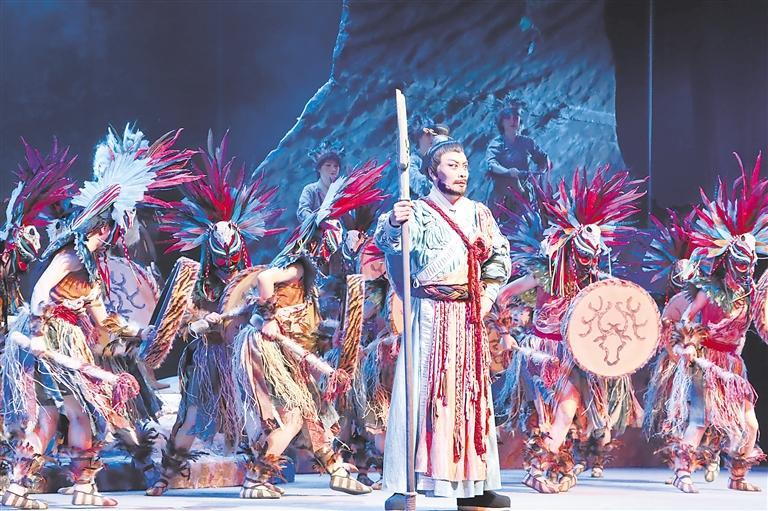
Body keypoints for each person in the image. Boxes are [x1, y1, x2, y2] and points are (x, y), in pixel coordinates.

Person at [1, 126, 195, 509]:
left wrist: (143, 332)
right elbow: (40, 292)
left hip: (63, 342)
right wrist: (38, 332)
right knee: (74, 414)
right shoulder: (72, 256)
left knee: (64, 417)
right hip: (49, 341)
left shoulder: (92, 268)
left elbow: (103, 317)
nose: (118, 234)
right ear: (104, 227)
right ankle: (53, 486)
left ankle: (47, 488)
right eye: (116, 227)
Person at [232, 160, 387, 499]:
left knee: (313, 410)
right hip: (270, 349)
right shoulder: (298, 266)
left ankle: (336, 472)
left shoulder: (309, 274)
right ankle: (256, 479)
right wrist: (268, 316)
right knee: (292, 416)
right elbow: (264, 278)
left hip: (285, 349)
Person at [374, 136, 511, 511]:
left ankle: (475, 484)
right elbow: (391, 246)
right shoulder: (417, 211)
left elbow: (499, 259)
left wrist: (485, 299)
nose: (462, 172)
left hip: (468, 318)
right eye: (452, 165)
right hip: (429, 315)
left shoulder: (480, 214)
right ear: (433, 172)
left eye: (464, 166)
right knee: (421, 394)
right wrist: (394, 222)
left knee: (471, 397)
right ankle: (406, 485)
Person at [145, 131, 284, 496]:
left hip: (243, 358)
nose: (227, 265)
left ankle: (260, 476)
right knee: (191, 418)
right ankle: (166, 475)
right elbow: (180, 319)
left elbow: (266, 313)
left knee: (255, 414)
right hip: (208, 358)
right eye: (221, 259)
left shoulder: (253, 280)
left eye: (232, 258)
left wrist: (258, 317)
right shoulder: (196, 282)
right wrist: (196, 323)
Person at [494, 167, 645, 493]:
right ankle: (541, 465)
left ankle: (542, 467)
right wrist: (505, 333)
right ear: (571, 247)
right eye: (583, 255)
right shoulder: (544, 274)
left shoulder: (594, 281)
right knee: (566, 404)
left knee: (563, 413)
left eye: (593, 257)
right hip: (541, 352)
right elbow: (502, 295)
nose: (588, 262)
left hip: (573, 353)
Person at [644, 154, 766, 493]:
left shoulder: (751, 293)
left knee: (749, 424)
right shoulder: (709, 291)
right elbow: (685, 318)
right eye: (740, 264)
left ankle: (737, 476)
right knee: (699, 418)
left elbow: (759, 325)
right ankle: (683, 472)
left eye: (749, 264)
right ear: (728, 261)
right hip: (705, 362)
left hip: (733, 366)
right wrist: (686, 347)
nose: (745, 270)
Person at [484, 98, 549, 209]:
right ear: (501, 121)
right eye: (508, 117)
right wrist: (508, 172)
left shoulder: (528, 142)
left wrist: (537, 176)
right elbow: (491, 164)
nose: (513, 120)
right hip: (501, 195)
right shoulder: (496, 144)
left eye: (516, 116)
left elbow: (543, 159)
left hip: (524, 192)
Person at [297, 139, 344, 223]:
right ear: (319, 168)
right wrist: (317, 221)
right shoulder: (310, 189)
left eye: (336, 166)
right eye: (328, 165)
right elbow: (302, 211)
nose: (333, 169)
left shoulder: (341, 191)